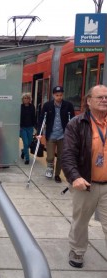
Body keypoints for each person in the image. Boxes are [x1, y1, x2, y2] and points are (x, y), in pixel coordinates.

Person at [62, 84, 107, 268]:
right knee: (80, 221)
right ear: (89, 101)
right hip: (85, 183)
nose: (105, 100)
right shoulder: (76, 124)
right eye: (100, 97)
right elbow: (68, 155)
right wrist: (75, 177)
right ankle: (77, 251)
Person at [37, 86, 75, 183]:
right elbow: (42, 119)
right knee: (50, 156)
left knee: (61, 157)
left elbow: (73, 120)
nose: (59, 97)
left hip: (63, 136)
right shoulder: (47, 105)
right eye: (57, 95)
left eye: (61, 95)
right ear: (53, 95)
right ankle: (50, 168)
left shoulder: (68, 105)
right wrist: (39, 133)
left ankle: (57, 174)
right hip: (51, 135)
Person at [20, 93, 36, 165]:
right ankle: (27, 158)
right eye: (25, 98)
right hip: (23, 128)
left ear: (30, 99)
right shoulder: (20, 107)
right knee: (25, 143)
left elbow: (34, 117)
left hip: (30, 127)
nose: (26, 99)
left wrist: (35, 126)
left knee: (29, 143)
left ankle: (23, 151)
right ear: (22, 100)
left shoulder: (32, 107)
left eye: (27, 98)